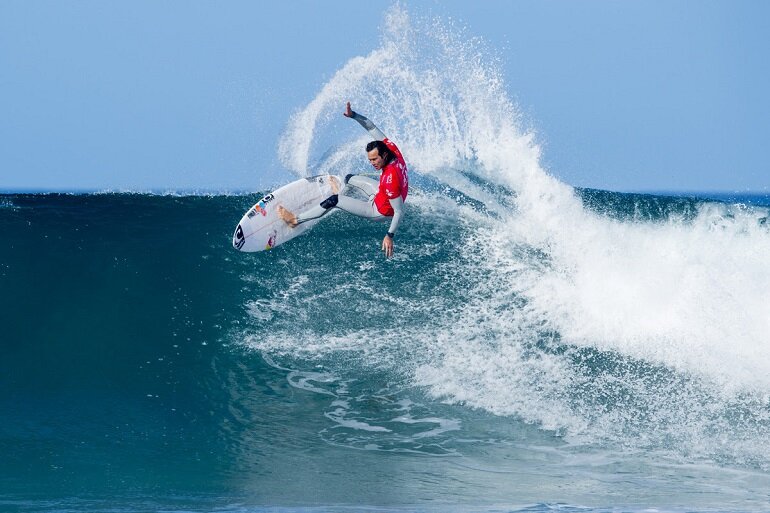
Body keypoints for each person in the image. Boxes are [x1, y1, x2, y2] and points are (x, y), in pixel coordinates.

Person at [278, 102, 408, 258]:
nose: (372, 163)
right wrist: (354, 115)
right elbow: (372, 128)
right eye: (370, 159)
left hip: (378, 210)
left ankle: (295, 220)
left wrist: (389, 235)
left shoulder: (390, 179)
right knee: (349, 178)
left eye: (375, 159)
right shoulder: (393, 150)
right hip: (380, 193)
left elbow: (399, 211)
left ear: (384, 155)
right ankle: (341, 189)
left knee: (334, 201)